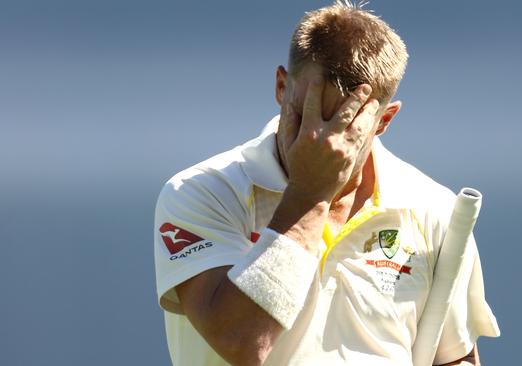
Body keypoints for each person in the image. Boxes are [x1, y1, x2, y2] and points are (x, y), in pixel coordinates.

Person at [154, 2, 500, 365]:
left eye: (344, 125)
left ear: (383, 120)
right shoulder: (200, 193)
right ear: (281, 86)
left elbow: (454, 357)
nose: (318, 140)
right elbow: (242, 342)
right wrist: (311, 193)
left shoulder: (433, 209)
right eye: (304, 114)